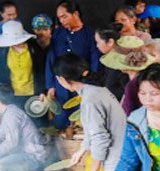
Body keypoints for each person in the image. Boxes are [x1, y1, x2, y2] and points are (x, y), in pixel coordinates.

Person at [45, 2, 100, 130]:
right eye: (59, 18)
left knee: (82, 119)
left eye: (64, 16)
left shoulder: (90, 34)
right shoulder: (58, 34)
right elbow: (51, 59)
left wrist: (91, 84)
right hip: (61, 84)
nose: (62, 20)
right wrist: (51, 85)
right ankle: (63, 147)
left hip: (81, 84)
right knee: (61, 119)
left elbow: (95, 61)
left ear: (75, 14)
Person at [0, 21, 41, 103]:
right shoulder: (3, 51)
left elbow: (41, 71)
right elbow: (2, 71)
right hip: (12, 93)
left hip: (33, 92)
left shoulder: (34, 49)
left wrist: (41, 92)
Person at [94, 23, 129, 99]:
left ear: (110, 42)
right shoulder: (107, 59)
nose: (97, 46)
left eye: (98, 42)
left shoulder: (121, 63)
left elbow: (126, 90)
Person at [0, 1, 20, 73]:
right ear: (1, 14)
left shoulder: (18, 22)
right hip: (7, 64)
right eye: (9, 15)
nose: (12, 17)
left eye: (14, 14)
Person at [30, 14, 53, 91]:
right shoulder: (30, 46)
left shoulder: (57, 45)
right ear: (33, 30)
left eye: (45, 29)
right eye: (38, 29)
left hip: (54, 86)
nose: (41, 33)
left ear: (51, 29)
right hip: (35, 87)